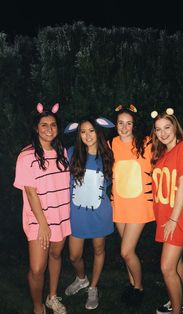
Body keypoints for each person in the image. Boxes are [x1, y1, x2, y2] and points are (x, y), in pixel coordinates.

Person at [13, 103, 71, 314]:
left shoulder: (62, 151)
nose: (49, 129)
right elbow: (30, 192)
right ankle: (38, 306)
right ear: (36, 128)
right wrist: (43, 224)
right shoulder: (26, 156)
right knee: (37, 268)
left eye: (53, 125)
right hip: (39, 220)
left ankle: (52, 297)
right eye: (44, 125)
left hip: (62, 215)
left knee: (56, 256)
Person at [151, 108, 183, 314]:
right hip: (167, 216)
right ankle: (177, 301)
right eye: (158, 129)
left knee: (166, 267)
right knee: (176, 261)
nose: (163, 133)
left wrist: (173, 218)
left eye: (167, 127)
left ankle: (176, 312)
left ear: (175, 127)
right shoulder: (163, 153)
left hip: (178, 216)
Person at [64, 116, 115, 310]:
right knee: (74, 256)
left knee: (99, 250)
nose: (87, 135)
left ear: (98, 132)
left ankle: (93, 287)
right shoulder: (71, 153)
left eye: (91, 130)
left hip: (100, 213)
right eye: (83, 132)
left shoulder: (108, 155)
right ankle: (81, 278)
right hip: (77, 214)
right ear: (79, 134)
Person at [110, 104, 155, 306]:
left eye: (129, 123)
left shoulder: (147, 143)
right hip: (119, 204)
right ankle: (132, 285)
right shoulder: (112, 143)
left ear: (135, 125)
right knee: (127, 251)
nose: (125, 127)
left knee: (126, 251)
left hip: (139, 205)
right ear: (116, 124)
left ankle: (139, 288)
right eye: (121, 123)